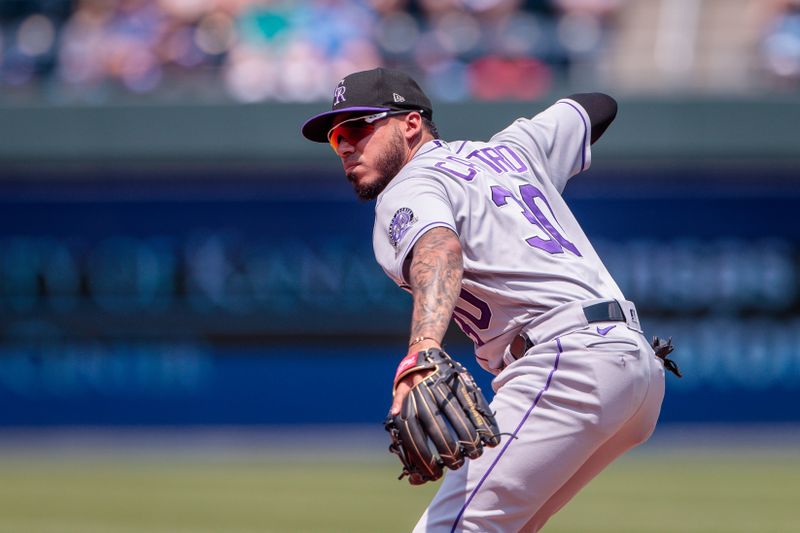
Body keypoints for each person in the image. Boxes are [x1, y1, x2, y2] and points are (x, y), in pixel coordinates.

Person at [301, 67, 667, 532]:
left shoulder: (409, 184)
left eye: (358, 128)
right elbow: (597, 104)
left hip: (568, 363)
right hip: (634, 367)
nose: (347, 146)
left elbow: (439, 248)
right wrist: (516, 153)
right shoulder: (513, 150)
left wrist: (423, 354)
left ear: (411, 123)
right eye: (336, 139)